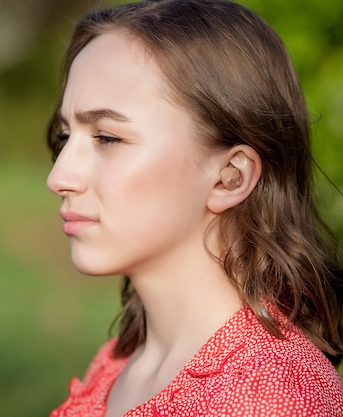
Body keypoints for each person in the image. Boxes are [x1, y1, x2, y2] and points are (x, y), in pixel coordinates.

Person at [44, 0, 343, 416]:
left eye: (107, 137)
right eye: (65, 136)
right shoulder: (120, 362)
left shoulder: (269, 398)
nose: (59, 177)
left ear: (230, 177)